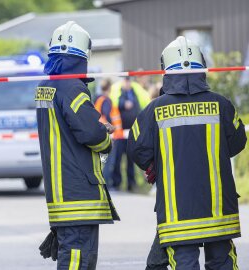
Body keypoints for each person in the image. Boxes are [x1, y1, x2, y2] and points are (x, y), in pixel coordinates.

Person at [128, 36, 247, 269]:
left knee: (184, 264)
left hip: (177, 214)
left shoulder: (154, 109)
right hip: (218, 211)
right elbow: (238, 142)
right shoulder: (221, 104)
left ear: (166, 70)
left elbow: (136, 148)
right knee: (223, 263)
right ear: (202, 66)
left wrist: (155, 166)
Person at [36, 21, 119, 270]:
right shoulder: (73, 87)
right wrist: (106, 140)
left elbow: (68, 128)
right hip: (78, 192)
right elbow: (90, 133)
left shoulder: (46, 87)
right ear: (84, 54)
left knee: (71, 256)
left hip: (60, 190)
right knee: (77, 260)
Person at [108, 76, 150, 191]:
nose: (127, 84)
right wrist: (123, 104)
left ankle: (131, 183)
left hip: (132, 132)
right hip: (120, 133)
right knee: (117, 159)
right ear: (123, 82)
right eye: (126, 81)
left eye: (129, 81)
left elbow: (139, 107)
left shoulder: (134, 92)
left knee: (131, 159)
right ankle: (116, 183)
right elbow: (115, 104)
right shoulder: (118, 92)